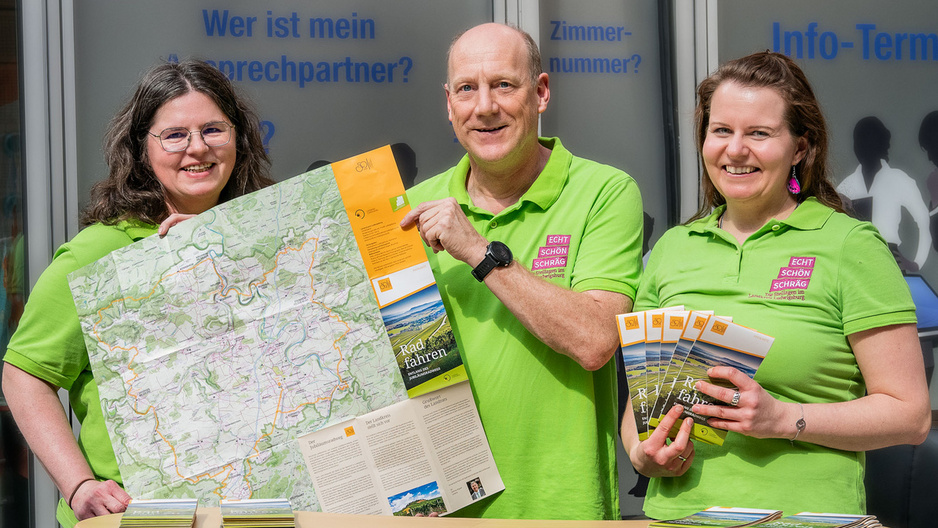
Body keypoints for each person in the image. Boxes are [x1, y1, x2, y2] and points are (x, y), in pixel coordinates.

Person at [622, 51, 931, 519]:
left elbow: (910, 415)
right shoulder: (672, 249)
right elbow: (642, 404)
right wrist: (644, 454)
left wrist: (784, 418)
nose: (735, 149)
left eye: (759, 133)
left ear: (800, 148)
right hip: (678, 517)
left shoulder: (849, 245)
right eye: (721, 130)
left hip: (806, 521)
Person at [1, 59, 274, 527]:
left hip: (255, 512)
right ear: (141, 149)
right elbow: (25, 375)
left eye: (213, 129)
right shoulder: (99, 252)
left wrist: (222, 250)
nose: (198, 147)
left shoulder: (266, 238)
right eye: (174, 135)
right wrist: (79, 485)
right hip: (139, 517)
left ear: (239, 138)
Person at [400, 23, 644, 519]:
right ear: (449, 104)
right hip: (437, 509)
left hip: (558, 506)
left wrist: (479, 252)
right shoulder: (410, 209)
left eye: (503, 85)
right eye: (467, 88)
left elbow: (595, 341)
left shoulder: (604, 192)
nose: (484, 106)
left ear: (541, 92)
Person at [837, 116, 931, 272]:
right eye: (859, 142)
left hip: (889, 260)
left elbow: (923, 220)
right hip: (854, 262)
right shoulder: (845, 186)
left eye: (868, 140)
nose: (862, 147)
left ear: (880, 143)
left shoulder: (899, 179)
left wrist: (916, 263)